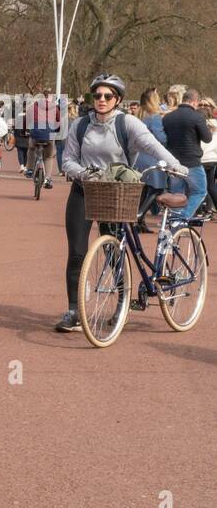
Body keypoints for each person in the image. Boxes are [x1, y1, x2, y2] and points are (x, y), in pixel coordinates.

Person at [53, 74, 186, 332]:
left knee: (115, 250)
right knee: (77, 252)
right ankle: (73, 311)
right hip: (84, 190)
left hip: (116, 191)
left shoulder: (128, 124)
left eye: (107, 96)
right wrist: (84, 173)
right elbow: (67, 160)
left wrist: (176, 166)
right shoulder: (80, 125)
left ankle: (122, 305)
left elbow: (153, 146)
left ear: (118, 99)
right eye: (97, 95)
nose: (101, 100)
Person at [160, 88, 212, 221]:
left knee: (176, 195)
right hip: (192, 161)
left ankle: (175, 220)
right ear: (195, 102)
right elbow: (207, 138)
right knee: (200, 191)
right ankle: (183, 217)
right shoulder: (197, 117)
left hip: (173, 161)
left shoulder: (168, 117)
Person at [26, 91, 56, 190]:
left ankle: (29, 169)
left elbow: (26, 120)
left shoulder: (32, 107)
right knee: (49, 157)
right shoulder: (54, 107)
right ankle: (47, 178)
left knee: (31, 148)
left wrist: (25, 131)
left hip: (36, 133)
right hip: (49, 135)